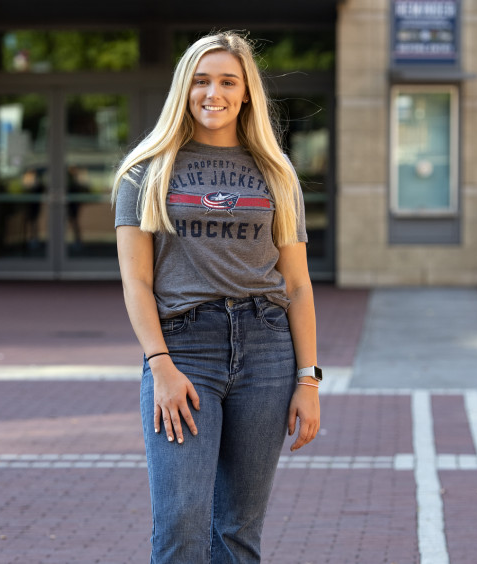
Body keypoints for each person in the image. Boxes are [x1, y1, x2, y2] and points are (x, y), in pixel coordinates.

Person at [112, 31, 321, 564]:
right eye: (201, 81)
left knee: (236, 532)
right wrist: (160, 365)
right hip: (184, 349)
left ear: (247, 92)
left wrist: (308, 380)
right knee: (181, 523)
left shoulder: (277, 174)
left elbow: (297, 284)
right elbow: (136, 281)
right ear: (184, 89)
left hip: (267, 352)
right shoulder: (147, 171)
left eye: (228, 81)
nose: (214, 93)